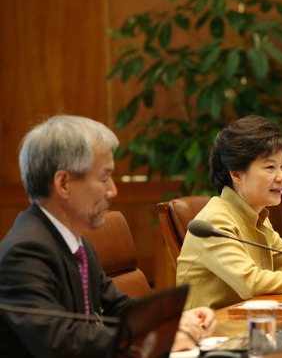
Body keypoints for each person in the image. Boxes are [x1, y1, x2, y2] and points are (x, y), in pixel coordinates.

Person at [0, 115, 216, 357]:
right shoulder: (25, 252)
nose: (113, 190)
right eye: (104, 178)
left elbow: (119, 306)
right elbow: (60, 342)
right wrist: (153, 339)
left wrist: (173, 320)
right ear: (63, 183)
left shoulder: (76, 243)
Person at [176, 115, 282, 310]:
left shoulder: (255, 215)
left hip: (245, 322)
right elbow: (252, 283)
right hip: (210, 332)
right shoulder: (216, 221)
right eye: (270, 167)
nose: (281, 177)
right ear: (237, 174)